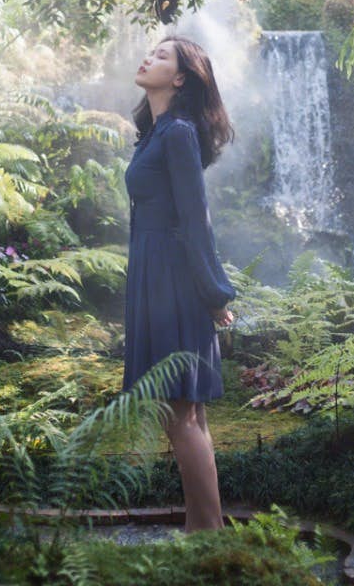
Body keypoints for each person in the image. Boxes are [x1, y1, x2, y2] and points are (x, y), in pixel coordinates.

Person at [123, 35, 236, 532]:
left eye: (163, 56)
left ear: (182, 77)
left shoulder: (178, 134)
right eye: (153, 51)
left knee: (181, 415)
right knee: (187, 415)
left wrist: (214, 294)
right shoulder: (155, 133)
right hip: (154, 276)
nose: (149, 57)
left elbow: (197, 221)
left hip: (173, 281)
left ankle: (207, 537)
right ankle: (202, 530)